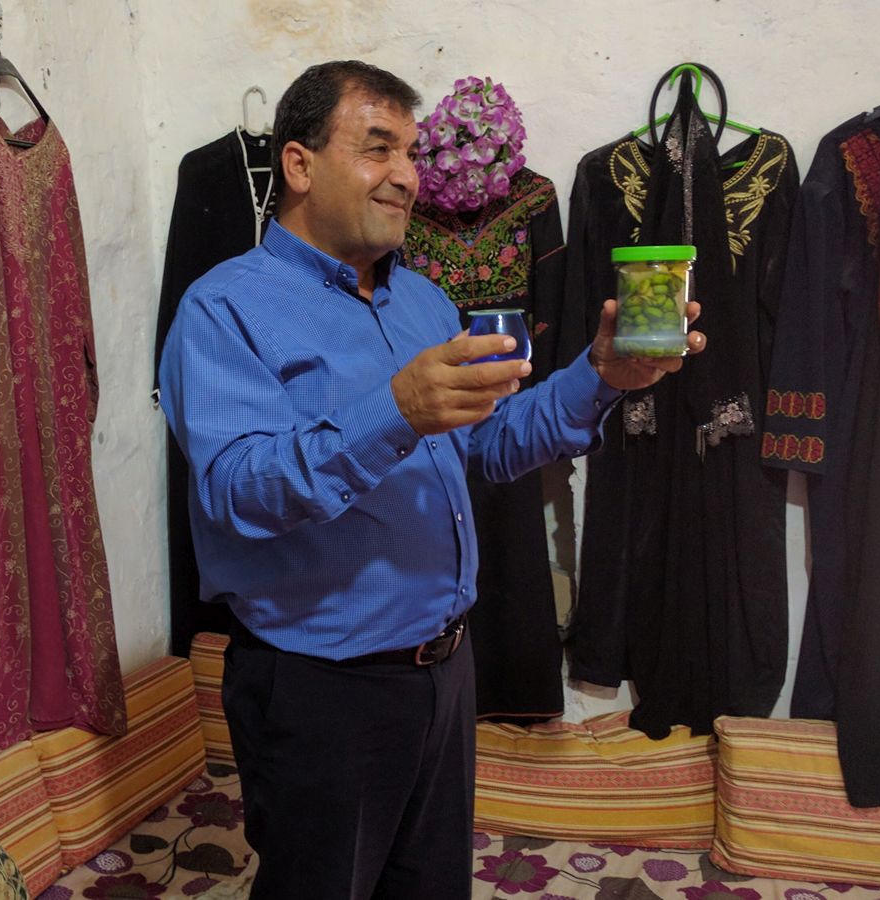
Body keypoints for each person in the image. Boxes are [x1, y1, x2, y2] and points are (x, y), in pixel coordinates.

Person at [157, 60, 704, 899]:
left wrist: (601, 375)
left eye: (412, 154)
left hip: (445, 674)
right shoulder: (224, 308)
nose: (408, 177)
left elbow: (490, 447)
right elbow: (237, 490)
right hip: (320, 691)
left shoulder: (423, 304)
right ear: (299, 165)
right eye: (379, 150)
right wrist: (396, 410)